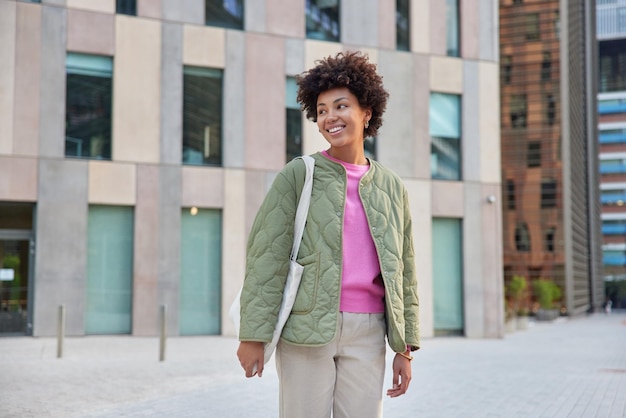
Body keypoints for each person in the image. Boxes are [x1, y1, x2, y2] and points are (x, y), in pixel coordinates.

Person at [236, 51, 420, 418]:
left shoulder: (391, 187)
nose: (330, 118)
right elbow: (266, 257)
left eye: (340, 106)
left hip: (369, 331)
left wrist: (405, 346)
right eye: (321, 111)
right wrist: (252, 334)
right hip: (306, 326)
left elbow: (404, 271)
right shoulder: (298, 174)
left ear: (367, 112)